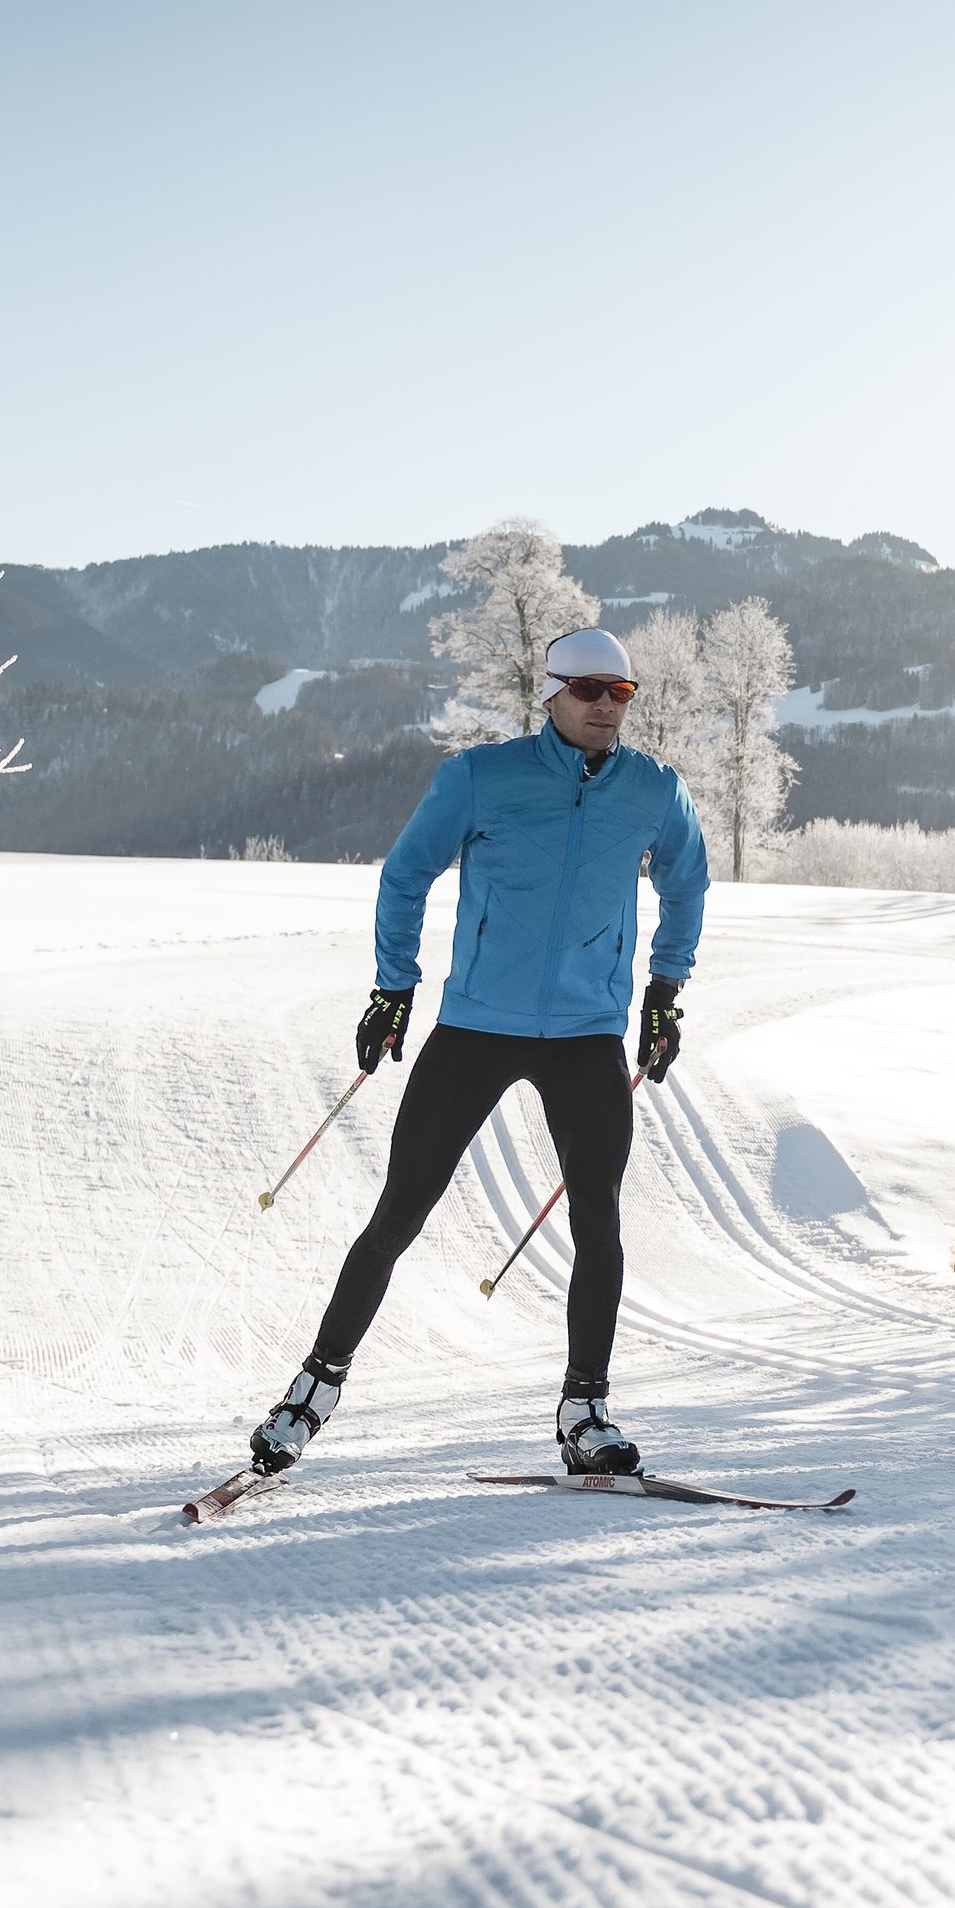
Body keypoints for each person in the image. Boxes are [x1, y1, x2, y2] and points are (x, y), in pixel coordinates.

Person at [247, 626, 711, 1478]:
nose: (608, 707)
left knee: (599, 1225)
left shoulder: (654, 790)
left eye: (623, 693)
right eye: (591, 691)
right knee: (401, 1211)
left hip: (587, 1037)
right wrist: (394, 987)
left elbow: (687, 883)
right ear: (553, 694)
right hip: (475, 1028)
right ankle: (313, 1390)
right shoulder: (481, 778)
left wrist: (662, 995)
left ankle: (586, 1410)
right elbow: (406, 872)